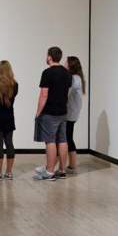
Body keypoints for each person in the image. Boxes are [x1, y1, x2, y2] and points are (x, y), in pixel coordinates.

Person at [33, 46, 71, 181]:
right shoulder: (67, 73)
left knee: (50, 141)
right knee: (62, 140)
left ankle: (49, 172)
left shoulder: (47, 73)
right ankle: (61, 170)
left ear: (50, 57)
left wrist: (38, 112)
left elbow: (44, 95)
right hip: (62, 111)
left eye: (46, 54)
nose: (46, 57)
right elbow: (67, 93)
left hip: (50, 112)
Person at [65, 55, 85, 171]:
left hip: (70, 113)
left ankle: (51, 167)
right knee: (68, 137)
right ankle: (71, 166)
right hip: (73, 113)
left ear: (71, 65)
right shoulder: (78, 77)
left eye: (66, 63)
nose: (64, 64)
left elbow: (66, 94)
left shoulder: (73, 78)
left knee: (65, 139)